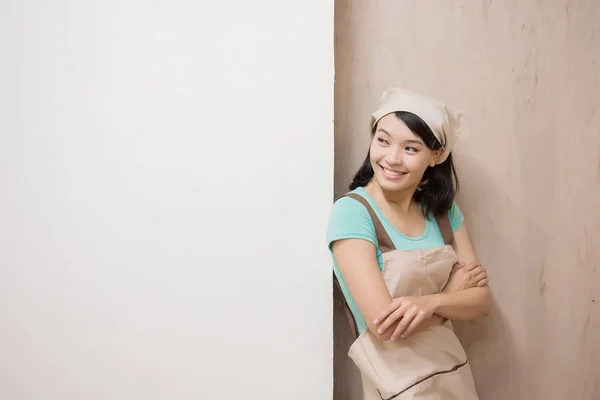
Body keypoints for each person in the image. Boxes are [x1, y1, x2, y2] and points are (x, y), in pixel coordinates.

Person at [327, 87, 491, 400]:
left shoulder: (443, 212)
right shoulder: (352, 213)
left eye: (411, 148)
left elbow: (482, 300)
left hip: (452, 377)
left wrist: (432, 303)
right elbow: (383, 326)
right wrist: (451, 294)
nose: (392, 158)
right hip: (397, 388)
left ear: (436, 155)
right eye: (383, 140)